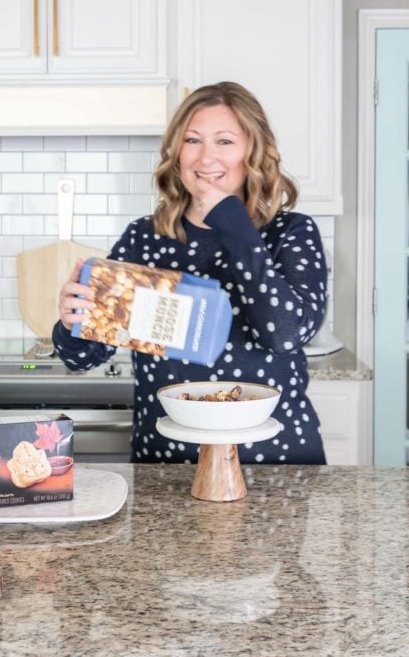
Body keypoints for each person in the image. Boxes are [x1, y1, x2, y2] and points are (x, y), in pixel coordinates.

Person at [52, 82, 328, 465]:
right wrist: (71, 322)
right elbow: (84, 357)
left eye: (225, 142)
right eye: (192, 140)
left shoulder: (291, 233)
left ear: (253, 150)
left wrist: (231, 219)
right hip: (166, 463)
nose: (206, 157)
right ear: (176, 151)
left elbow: (283, 334)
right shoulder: (144, 238)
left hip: (275, 461)